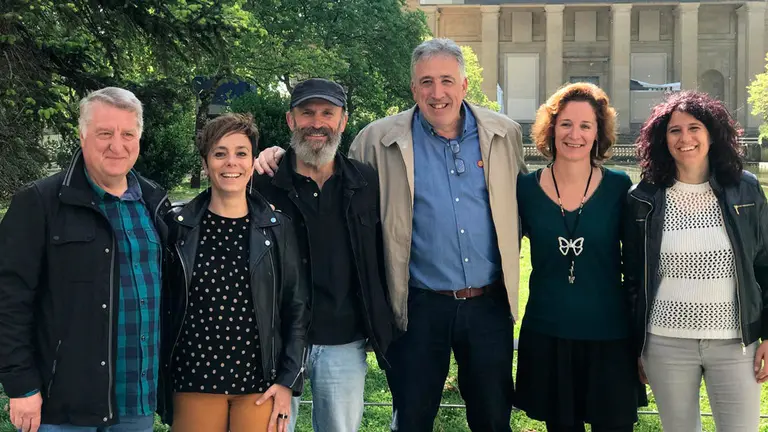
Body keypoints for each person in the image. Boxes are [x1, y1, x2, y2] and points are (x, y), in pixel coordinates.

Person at [255, 38, 526, 432]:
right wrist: (277, 156)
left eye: (447, 80)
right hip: (417, 306)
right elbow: (331, 168)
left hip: (488, 304)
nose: (438, 93)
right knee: (412, 417)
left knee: (493, 416)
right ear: (413, 88)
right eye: (427, 82)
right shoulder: (377, 139)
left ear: (465, 85)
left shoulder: (504, 134)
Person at [0, 87, 172, 432]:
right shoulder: (39, 203)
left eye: (127, 134)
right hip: (63, 404)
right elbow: (9, 300)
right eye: (104, 133)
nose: (117, 145)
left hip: (136, 400)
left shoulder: (154, 203)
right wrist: (22, 386)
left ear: (139, 137)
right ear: (82, 136)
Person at [252, 78, 395, 432]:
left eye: (328, 113)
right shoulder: (262, 184)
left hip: (343, 340)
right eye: (307, 113)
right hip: (275, 340)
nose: (317, 123)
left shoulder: (365, 182)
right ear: (291, 120)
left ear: (343, 121)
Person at [625, 90, 768, 431]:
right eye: (674, 130)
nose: (684, 138)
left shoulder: (745, 190)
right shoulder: (642, 198)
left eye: (694, 128)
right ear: (662, 139)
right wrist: (637, 346)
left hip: (735, 343)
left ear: (712, 135)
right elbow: (632, 277)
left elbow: (764, 264)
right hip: (665, 344)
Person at [157, 113, 309, 432]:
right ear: (205, 161)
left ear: (253, 160)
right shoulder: (177, 227)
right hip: (194, 379)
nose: (231, 163)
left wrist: (287, 380)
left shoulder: (277, 227)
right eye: (219, 153)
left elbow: (295, 308)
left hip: (259, 383)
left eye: (241, 153)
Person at [514, 83, 645, 432]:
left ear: (598, 133)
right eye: (566, 124)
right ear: (551, 128)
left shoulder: (620, 188)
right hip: (549, 334)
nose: (575, 134)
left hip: (610, 336)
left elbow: (636, 267)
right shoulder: (523, 190)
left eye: (586, 125)